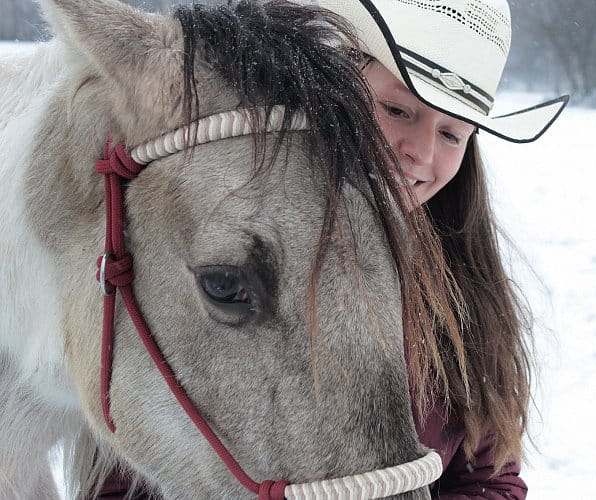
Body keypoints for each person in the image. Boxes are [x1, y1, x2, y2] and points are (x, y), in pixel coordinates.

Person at [96, 0, 567, 498]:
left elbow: (488, 478)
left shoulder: (460, 289)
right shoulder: (235, 262)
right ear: (326, 90)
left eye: (452, 133)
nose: (422, 153)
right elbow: (125, 475)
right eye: (398, 110)